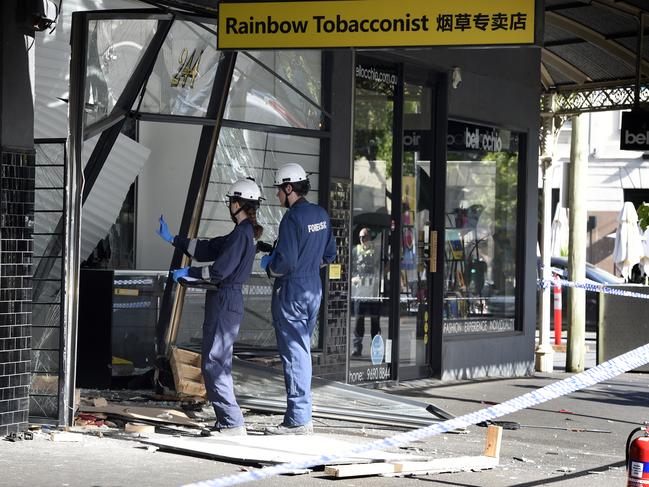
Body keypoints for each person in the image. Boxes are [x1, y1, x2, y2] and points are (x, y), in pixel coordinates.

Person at [156, 178, 264, 436]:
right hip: (225, 300)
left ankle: (231, 422)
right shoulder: (242, 232)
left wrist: (188, 272)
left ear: (237, 204)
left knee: (215, 362)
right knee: (216, 361)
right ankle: (227, 420)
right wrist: (175, 240)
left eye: (230, 202)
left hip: (225, 299)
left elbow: (217, 271)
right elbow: (209, 247)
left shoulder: (241, 235)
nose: (229, 206)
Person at [260, 162, 336, 435]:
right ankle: (302, 414)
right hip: (312, 288)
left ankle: (298, 419)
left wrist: (270, 265)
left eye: (279, 190)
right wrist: (306, 265)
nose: (277, 196)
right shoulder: (321, 214)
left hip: (291, 290)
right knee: (301, 350)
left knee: (294, 354)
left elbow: (285, 263)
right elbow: (329, 256)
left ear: (289, 188)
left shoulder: (291, 219)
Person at [351, 227, 381, 356]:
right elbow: (351, 267)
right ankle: (357, 348)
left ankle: (376, 348)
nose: (362, 240)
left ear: (370, 237)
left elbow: (383, 266)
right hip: (359, 292)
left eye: (365, 237)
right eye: (361, 237)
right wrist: (352, 278)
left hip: (373, 291)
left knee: (375, 321)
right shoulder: (355, 250)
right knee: (359, 321)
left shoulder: (376, 251)